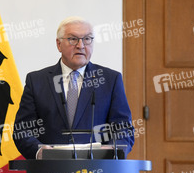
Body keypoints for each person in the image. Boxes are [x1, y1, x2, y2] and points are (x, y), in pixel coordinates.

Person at [13, 16, 133, 159]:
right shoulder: (37, 80)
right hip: (48, 170)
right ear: (58, 44)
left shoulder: (110, 80)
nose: (81, 45)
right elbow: (23, 130)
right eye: (73, 39)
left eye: (87, 39)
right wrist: (40, 152)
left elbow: (123, 129)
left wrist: (112, 149)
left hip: (97, 172)